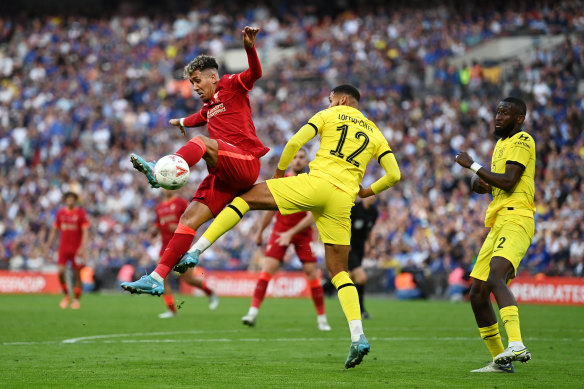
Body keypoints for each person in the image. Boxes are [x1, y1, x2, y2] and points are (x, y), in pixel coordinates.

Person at [178, 84, 401, 369]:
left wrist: (281, 172)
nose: (329, 104)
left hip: (316, 184)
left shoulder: (328, 115)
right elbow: (394, 174)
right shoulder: (375, 131)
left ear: (342, 100)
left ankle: (197, 250)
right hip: (344, 200)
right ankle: (358, 336)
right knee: (339, 273)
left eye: (331, 100)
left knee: (245, 198)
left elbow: (296, 141)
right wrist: (367, 192)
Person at [121, 26, 268, 295]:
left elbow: (256, 73)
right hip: (224, 174)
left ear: (213, 77)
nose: (195, 87)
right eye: (192, 83)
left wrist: (249, 47)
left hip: (245, 162)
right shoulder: (207, 108)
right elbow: (197, 119)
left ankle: (160, 169)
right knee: (188, 219)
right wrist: (179, 121)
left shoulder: (233, 85)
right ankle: (157, 277)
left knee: (201, 143)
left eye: (198, 81)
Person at [455, 97, 535, 373]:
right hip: (499, 219)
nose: (498, 117)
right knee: (477, 294)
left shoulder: (523, 140)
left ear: (519, 118)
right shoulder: (501, 145)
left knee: (495, 277)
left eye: (504, 113)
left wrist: (474, 166)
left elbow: (511, 182)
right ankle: (500, 360)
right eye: (497, 112)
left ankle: (516, 343)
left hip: (517, 218)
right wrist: (484, 186)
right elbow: (502, 183)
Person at [241, 149, 331, 331]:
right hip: (280, 230)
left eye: (301, 158)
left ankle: (322, 319)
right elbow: (269, 209)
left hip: (302, 233)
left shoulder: (312, 182)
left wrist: (292, 233)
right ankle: (252, 313)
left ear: (306, 161)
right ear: (290, 162)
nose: (297, 161)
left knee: (312, 273)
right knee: (267, 270)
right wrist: (260, 231)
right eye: (295, 157)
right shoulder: (281, 181)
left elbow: (313, 216)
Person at [154, 190, 218, 318]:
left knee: (189, 279)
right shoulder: (159, 207)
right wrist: (154, 231)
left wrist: (177, 227)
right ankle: (172, 310)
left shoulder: (181, 203)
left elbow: (192, 220)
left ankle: (210, 292)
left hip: (179, 247)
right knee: (160, 279)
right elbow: (158, 225)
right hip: (164, 248)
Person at [45, 191, 90, 309]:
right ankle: (66, 296)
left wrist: (83, 247)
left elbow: (85, 232)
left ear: (75, 200)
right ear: (65, 200)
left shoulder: (80, 213)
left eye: (72, 199)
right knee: (60, 272)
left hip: (76, 249)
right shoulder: (60, 214)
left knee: (77, 274)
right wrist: (48, 244)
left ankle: (76, 299)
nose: (70, 200)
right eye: (68, 198)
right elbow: (54, 231)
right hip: (63, 248)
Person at [348, 196, 378, 319]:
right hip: (349, 248)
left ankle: (326, 286)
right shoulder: (354, 209)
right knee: (361, 278)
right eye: (370, 194)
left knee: (350, 278)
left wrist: (370, 244)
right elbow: (345, 225)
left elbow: (369, 230)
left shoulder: (374, 212)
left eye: (375, 195)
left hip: (359, 249)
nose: (372, 197)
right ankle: (361, 311)